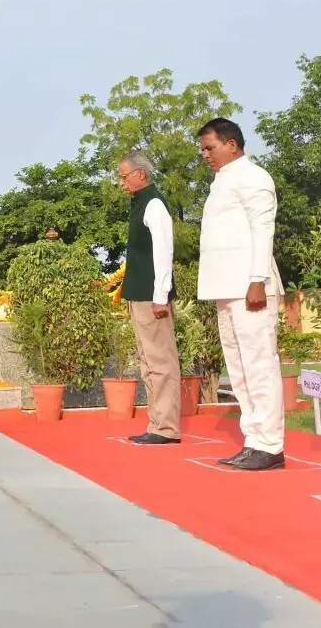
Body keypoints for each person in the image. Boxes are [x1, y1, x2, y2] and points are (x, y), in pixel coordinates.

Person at [195, 118, 285, 470]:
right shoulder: (221, 183)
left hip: (251, 287)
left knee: (260, 365)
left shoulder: (253, 177)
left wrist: (257, 279)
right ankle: (254, 439)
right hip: (225, 288)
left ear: (232, 144)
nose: (206, 155)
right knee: (240, 369)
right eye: (203, 150)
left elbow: (263, 230)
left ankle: (271, 444)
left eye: (210, 148)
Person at [115, 151, 181, 445]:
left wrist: (160, 295)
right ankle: (157, 423)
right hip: (138, 293)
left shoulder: (154, 203)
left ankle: (165, 427)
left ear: (140, 174)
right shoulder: (139, 203)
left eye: (124, 176)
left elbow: (163, 251)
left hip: (152, 295)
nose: (121, 182)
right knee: (148, 360)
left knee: (160, 360)